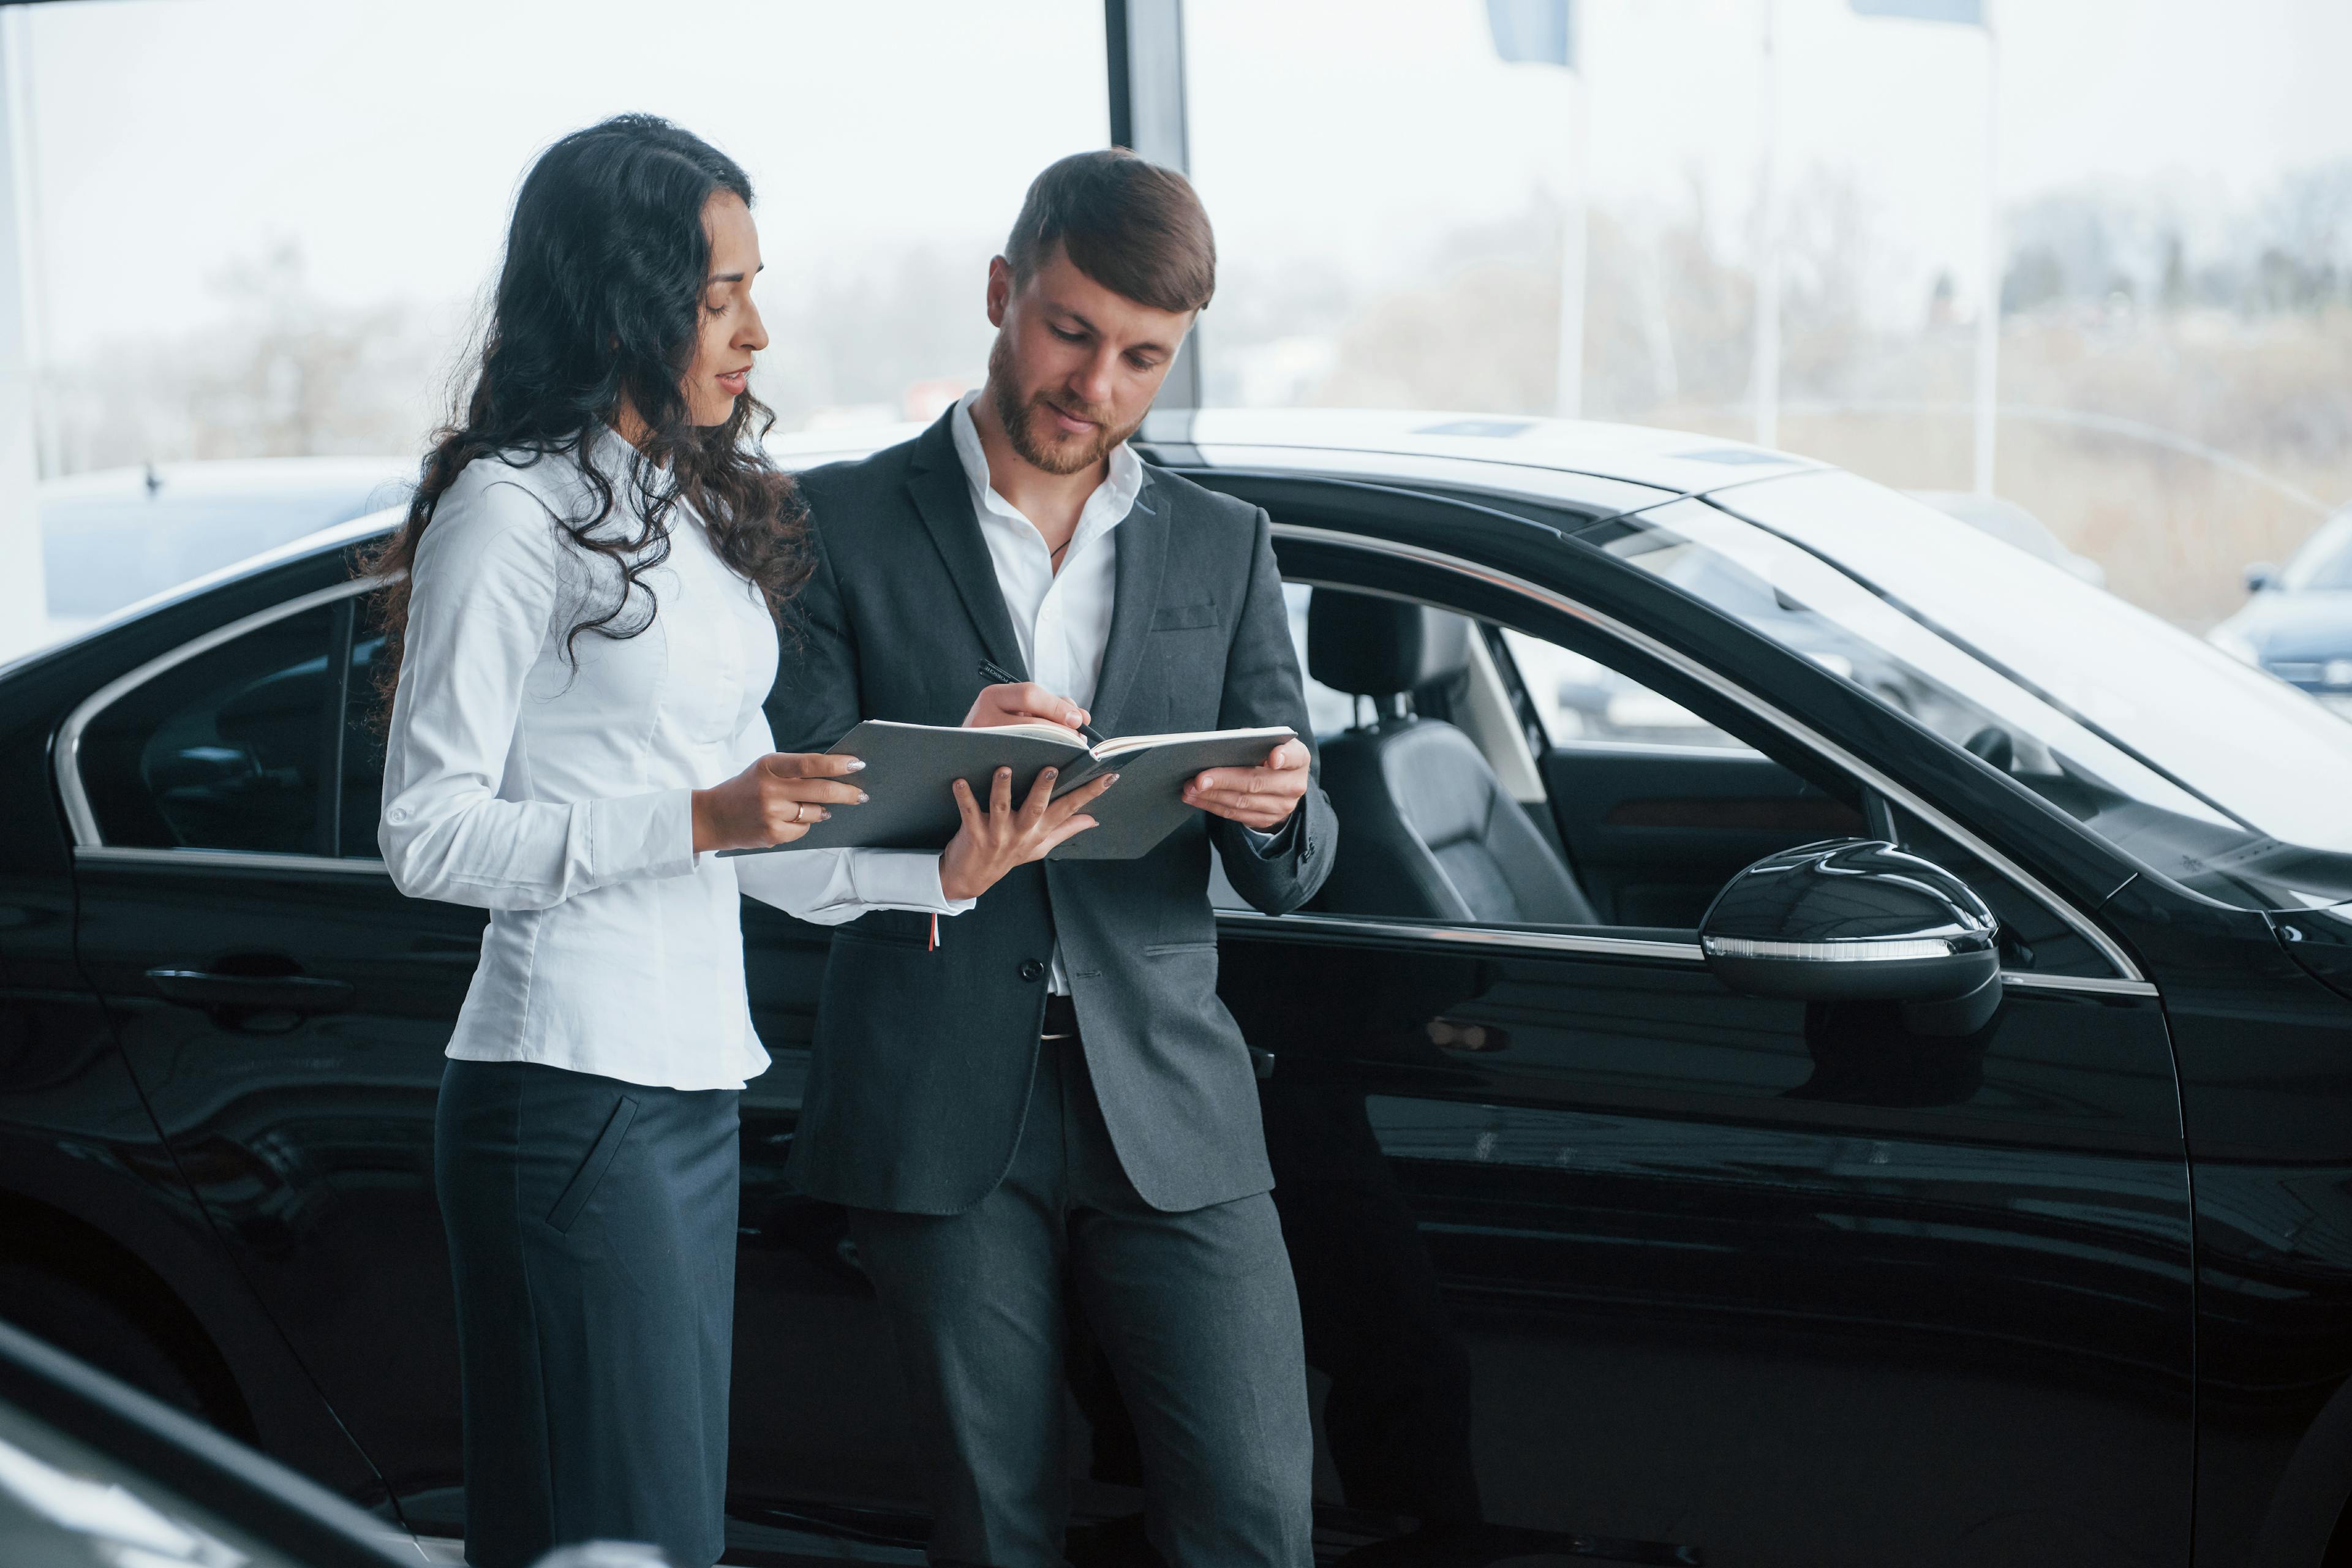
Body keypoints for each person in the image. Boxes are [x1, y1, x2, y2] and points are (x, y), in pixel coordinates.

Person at [369, 116, 1110, 1568]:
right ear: (620, 302)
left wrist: (932, 861)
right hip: (565, 1083)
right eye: (719, 299)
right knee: (617, 1537)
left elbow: (753, 824)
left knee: (652, 1537)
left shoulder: (685, 510)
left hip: (686, 1087)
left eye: (751, 290)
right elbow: (427, 834)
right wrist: (694, 818)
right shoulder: (506, 516)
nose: (755, 330)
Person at [771, 148, 1337, 1568]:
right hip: (938, 1083)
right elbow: (785, 808)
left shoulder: (1225, 539)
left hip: (1170, 1092)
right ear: (1001, 292)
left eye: (1144, 357)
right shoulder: (831, 523)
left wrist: (1281, 813)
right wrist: (942, 749)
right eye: (1072, 332)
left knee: (1258, 1514)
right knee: (995, 1522)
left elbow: (1300, 852)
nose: (1099, 385)